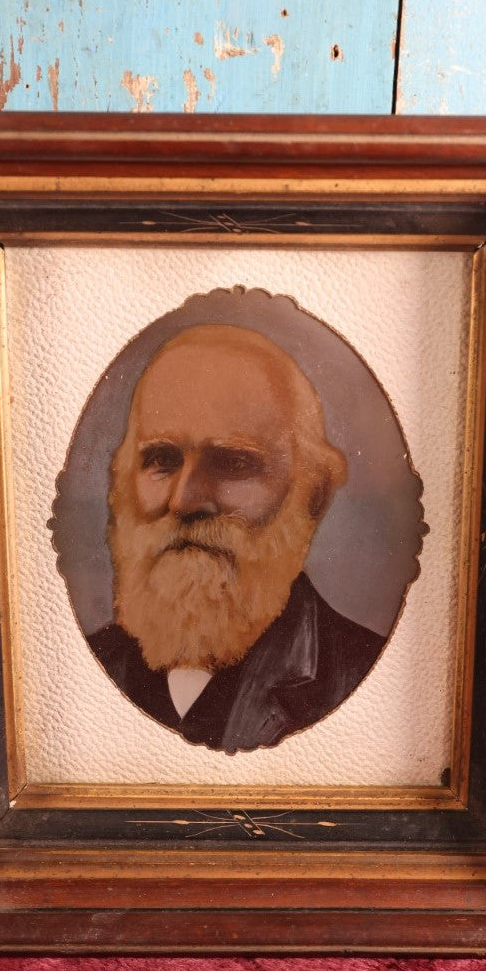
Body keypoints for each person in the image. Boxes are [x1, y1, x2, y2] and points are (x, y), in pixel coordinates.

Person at [86, 321, 386, 754]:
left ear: (312, 497)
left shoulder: (360, 673)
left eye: (231, 463)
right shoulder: (84, 670)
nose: (184, 501)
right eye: (162, 459)